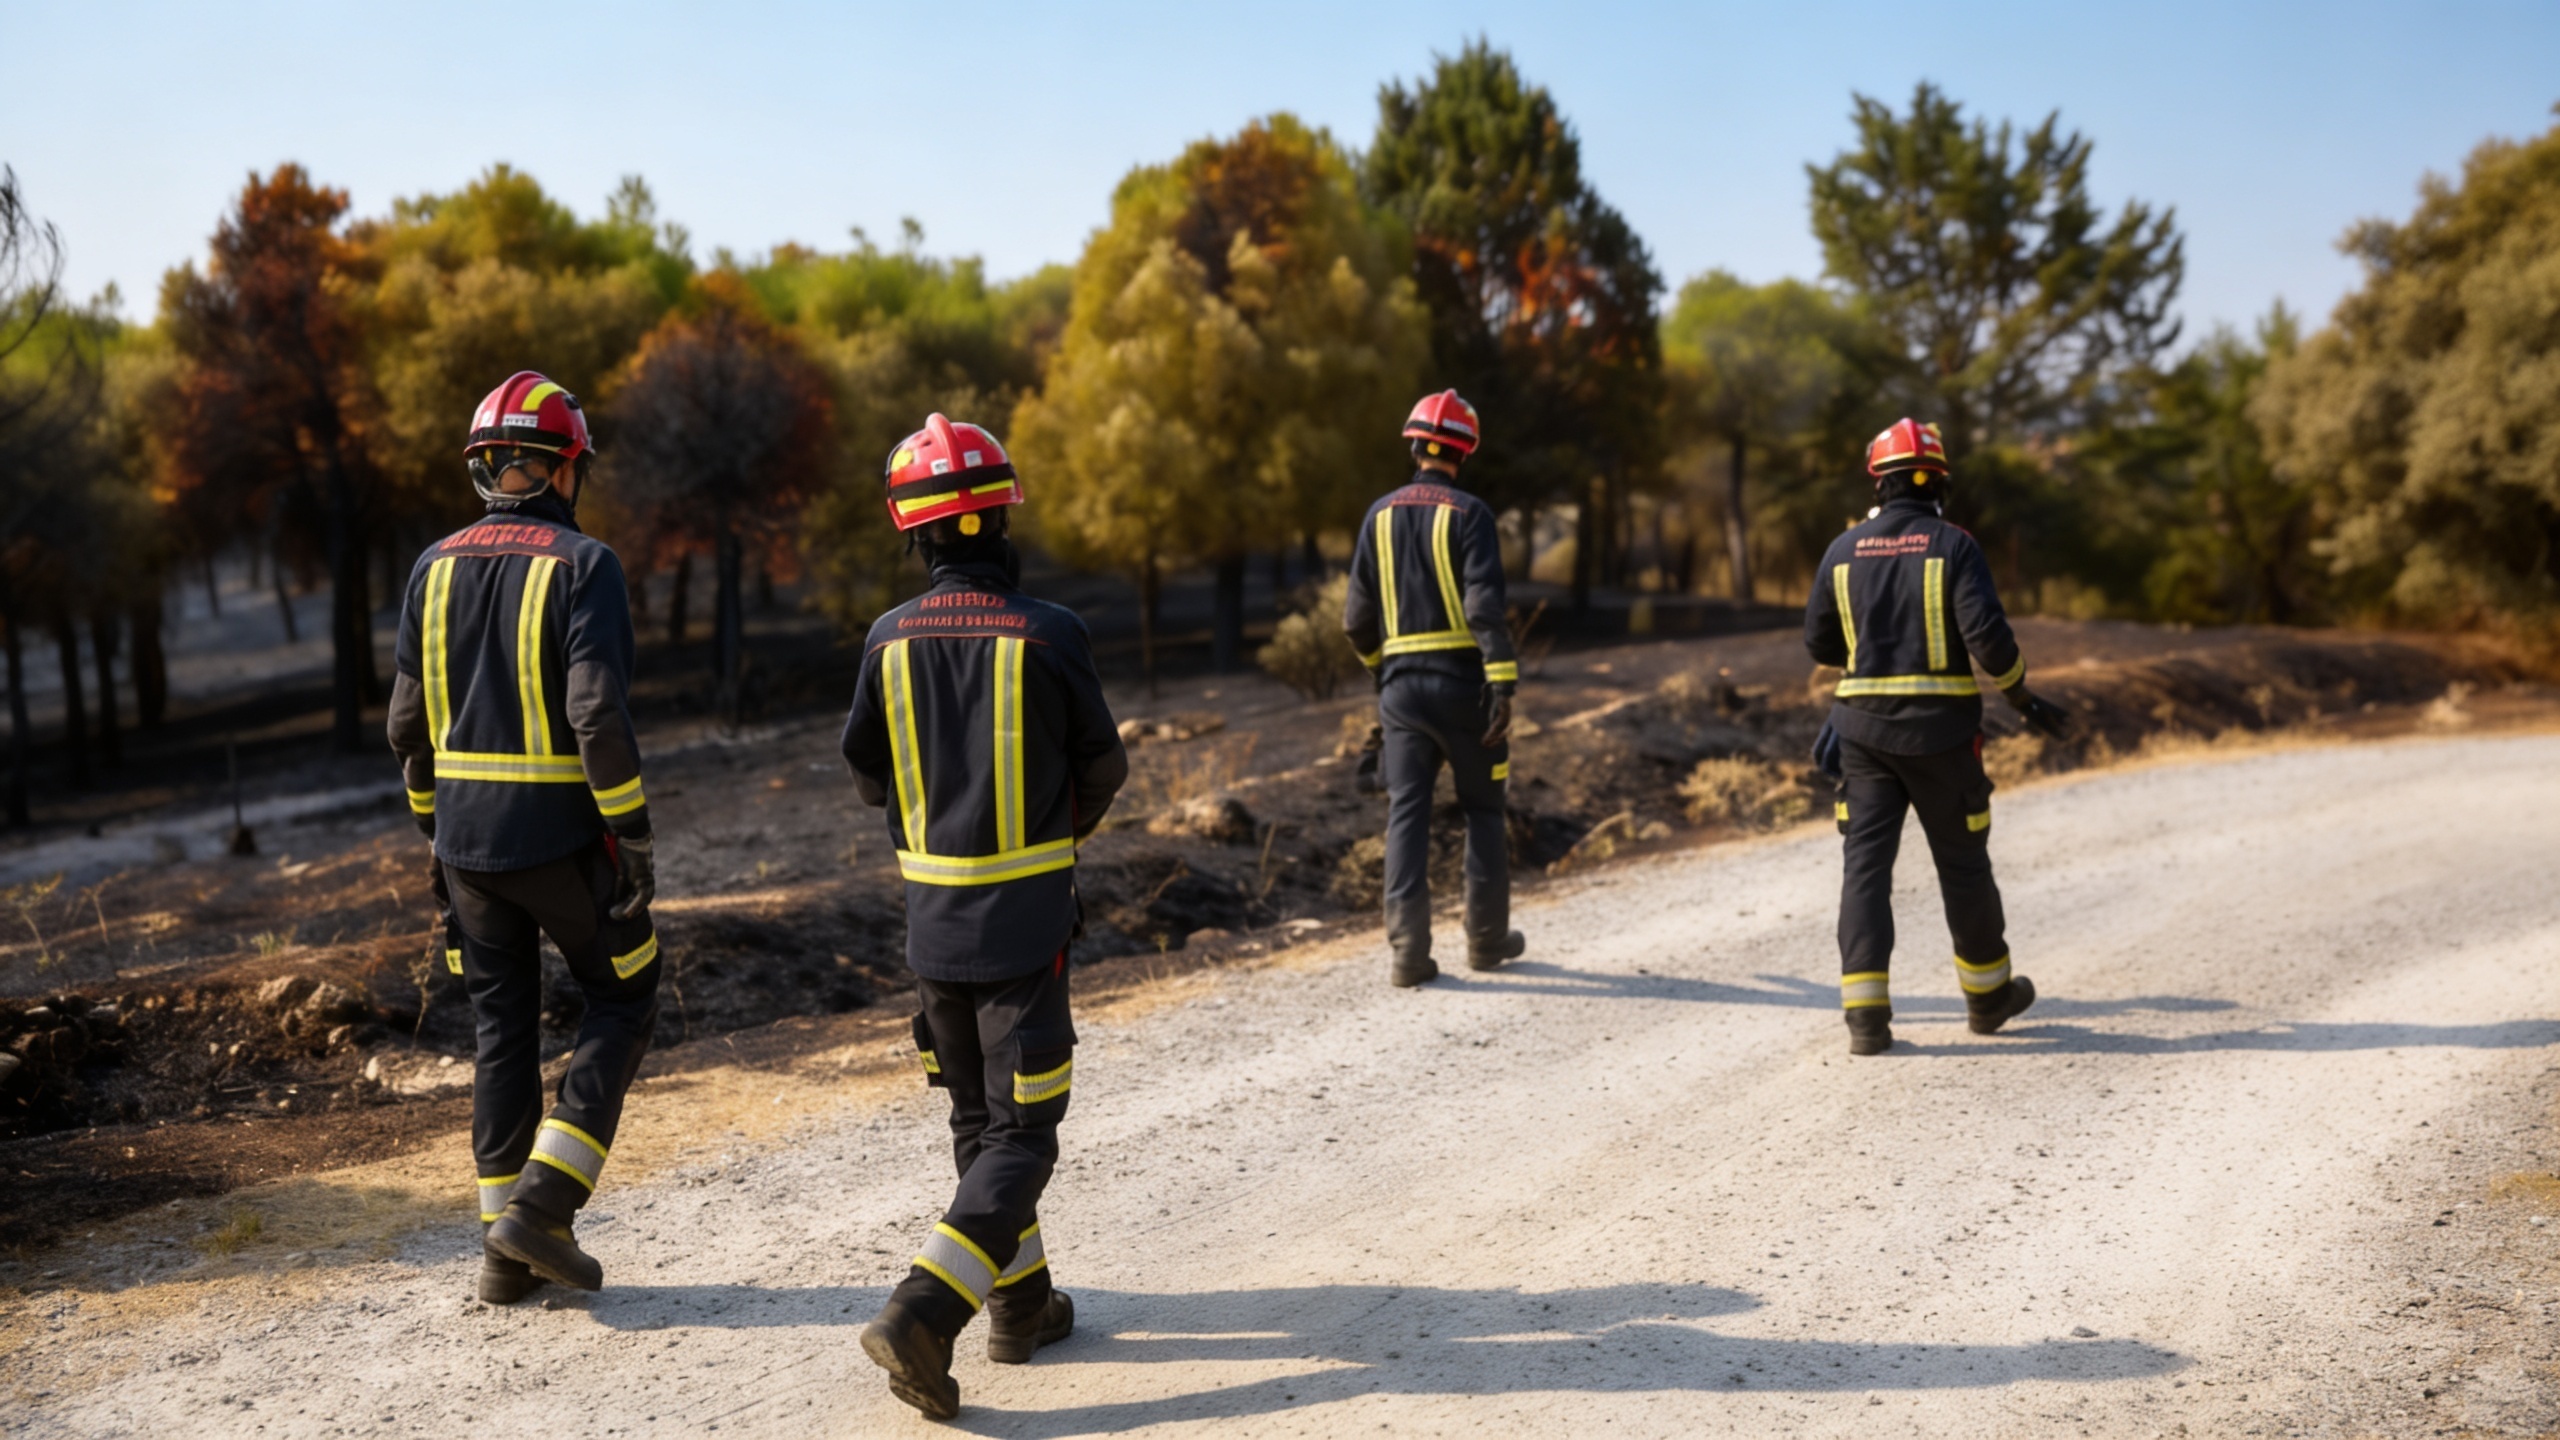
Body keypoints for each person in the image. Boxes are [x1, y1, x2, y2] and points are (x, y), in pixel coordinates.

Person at [841, 414, 1128, 1419]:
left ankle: (1022, 1305)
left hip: (932, 932)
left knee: (976, 1120)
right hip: (1025, 930)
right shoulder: (1052, 633)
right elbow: (1105, 767)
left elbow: (867, 775)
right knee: (1025, 1134)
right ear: (1002, 509)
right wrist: (1055, 833)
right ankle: (925, 1309)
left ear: (908, 529)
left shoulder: (885, 640)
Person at [387, 371, 661, 1300]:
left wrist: (435, 833)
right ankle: (543, 1208)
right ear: (561, 468)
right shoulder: (586, 566)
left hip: (463, 852)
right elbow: (596, 716)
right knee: (624, 999)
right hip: (562, 843)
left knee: (500, 1031)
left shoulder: (431, 567)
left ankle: (503, 1262)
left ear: (488, 467)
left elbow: (405, 729)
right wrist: (634, 836)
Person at [1803, 418, 2070, 1056]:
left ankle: (1866, 1020)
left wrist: (1866, 659)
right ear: (1936, 484)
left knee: (1865, 870)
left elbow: (1819, 644)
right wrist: (2021, 694)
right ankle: (1987, 999)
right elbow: (1988, 639)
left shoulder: (1842, 552)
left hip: (1861, 737)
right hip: (1943, 737)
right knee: (1963, 865)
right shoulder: (1954, 545)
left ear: (1880, 482)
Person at [1342, 390, 1525, 988]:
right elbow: (1483, 606)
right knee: (1482, 810)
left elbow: (1355, 622)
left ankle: (1407, 955)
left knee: (1406, 816)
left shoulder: (1378, 516)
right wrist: (1502, 682)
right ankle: (1487, 941)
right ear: (1464, 453)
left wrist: (1383, 672)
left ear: (1415, 445)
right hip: (1465, 691)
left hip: (1401, 694)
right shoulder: (1470, 515)